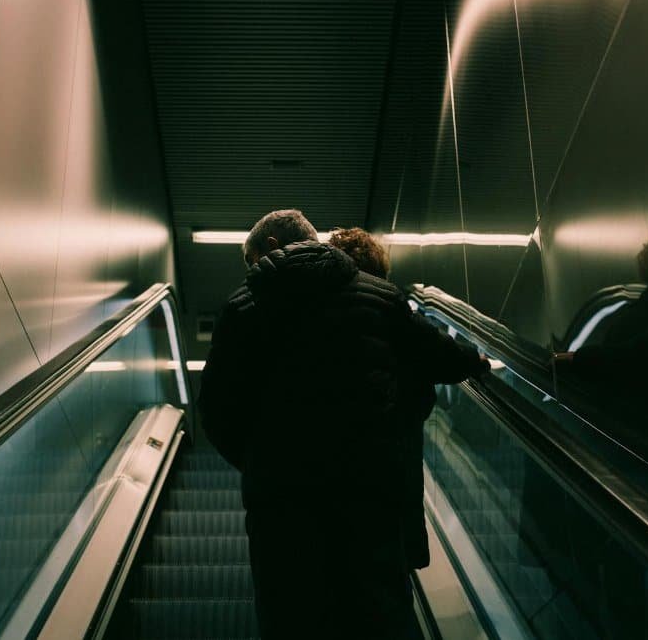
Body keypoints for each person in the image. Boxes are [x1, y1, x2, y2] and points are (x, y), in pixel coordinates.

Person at [201, 211, 487, 639]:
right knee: (381, 616)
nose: (254, 270)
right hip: (369, 499)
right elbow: (439, 356)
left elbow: (217, 411)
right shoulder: (379, 295)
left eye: (254, 258)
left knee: (292, 618)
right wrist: (477, 359)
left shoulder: (242, 307)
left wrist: (261, 462)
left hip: (282, 508)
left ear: (273, 245)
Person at [327, 227, 437, 574]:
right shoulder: (394, 308)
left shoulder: (312, 316)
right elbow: (434, 360)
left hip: (333, 488)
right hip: (392, 478)